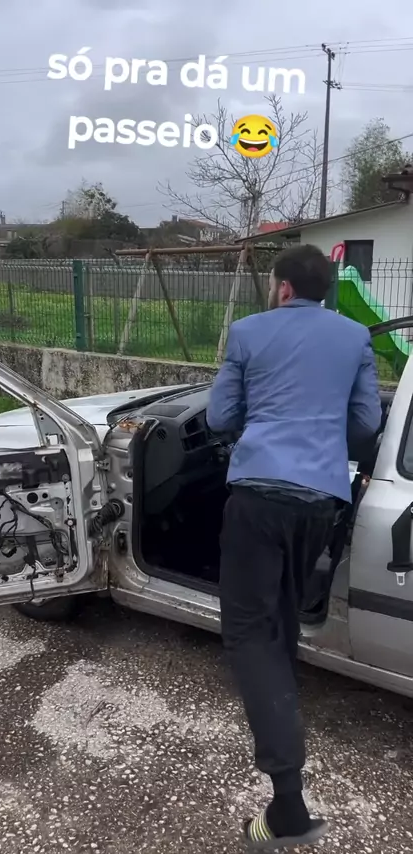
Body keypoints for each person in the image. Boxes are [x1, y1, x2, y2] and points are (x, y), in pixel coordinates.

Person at [206, 244, 382, 851]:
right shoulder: (355, 337)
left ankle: (288, 803)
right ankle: (281, 710)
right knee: (280, 620)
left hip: (258, 496)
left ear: (282, 287)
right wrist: (319, 430)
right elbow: (365, 425)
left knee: (249, 634)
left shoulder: (248, 332)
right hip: (320, 502)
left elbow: (220, 416)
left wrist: (267, 419)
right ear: (325, 289)